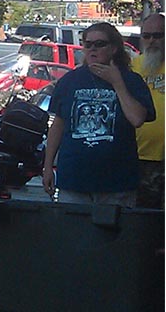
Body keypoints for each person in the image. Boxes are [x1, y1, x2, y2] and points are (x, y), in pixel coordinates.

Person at [43, 21, 155, 207]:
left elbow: (137, 119)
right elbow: (58, 125)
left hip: (116, 182)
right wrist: (48, 167)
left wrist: (117, 83)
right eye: (88, 44)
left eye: (100, 44)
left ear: (113, 49)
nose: (92, 49)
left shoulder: (131, 80)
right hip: (74, 179)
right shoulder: (69, 81)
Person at [133, 12, 164, 208]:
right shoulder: (131, 67)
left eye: (159, 35)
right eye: (146, 36)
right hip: (137, 158)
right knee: (141, 220)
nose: (152, 41)